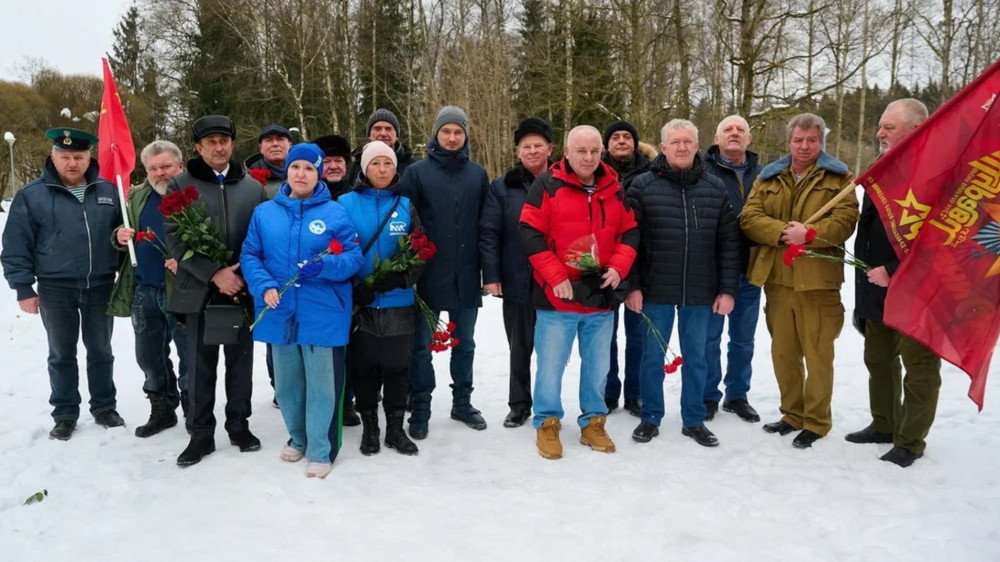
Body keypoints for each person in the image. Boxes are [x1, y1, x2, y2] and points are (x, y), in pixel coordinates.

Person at [241, 143, 363, 478]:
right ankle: (297, 438)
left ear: (319, 172)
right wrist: (263, 284)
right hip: (280, 309)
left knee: (322, 386)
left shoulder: (335, 213)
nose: (301, 174)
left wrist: (324, 266)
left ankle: (320, 449)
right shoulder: (265, 213)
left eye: (309, 168)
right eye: (296, 167)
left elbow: (353, 258)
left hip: (322, 311)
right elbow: (250, 254)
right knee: (287, 385)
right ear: (288, 171)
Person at [740, 113, 859, 449]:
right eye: (798, 140)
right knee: (784, 353)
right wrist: (780, 232)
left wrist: (810, 234)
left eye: (811, 140)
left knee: (818, 354)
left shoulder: (839, 179)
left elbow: (846, 219)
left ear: (821, 142)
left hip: (818, 283)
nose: (804, 146)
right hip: (777, 280)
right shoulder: (769, 178)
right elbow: (749, 217)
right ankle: (792, 414)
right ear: (788, 142)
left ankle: (817, 421)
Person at [519, 125, 638, 459]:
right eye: (581, 151)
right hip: (559, 297)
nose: (588, 158)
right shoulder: (547, 186)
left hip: (600, 296)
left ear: (602, 152)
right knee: (550, 367)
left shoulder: (615, 188)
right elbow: (529, 233)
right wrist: (556, 276)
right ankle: (546, 422)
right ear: (567, 152)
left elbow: (630, 231)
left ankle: (593, 421)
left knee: (598, 366)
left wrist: (617, 267)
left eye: (594, 151)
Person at [1, 128, 125, 440]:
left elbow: (122, 237)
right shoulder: (32, 195)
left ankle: (104, 407)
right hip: (56, 288)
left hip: (100, 285)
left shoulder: (108, 191)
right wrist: (23, 288)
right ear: (54, 157)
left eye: (79, 157)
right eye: (65, 157)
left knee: (101, 349)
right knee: (61, 353)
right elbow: (15, 244)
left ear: (89, 158)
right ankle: (66, 412)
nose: (72, 163)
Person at [625, 119, 739, 447]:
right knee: (651, 357)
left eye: (688, 141)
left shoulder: (716, 187)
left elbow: (729, 244)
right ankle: (650, 417)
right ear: (663, 148)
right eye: (675, 142)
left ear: (697, 144)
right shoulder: (642, 186)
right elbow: (630, 241)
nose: (682, 147)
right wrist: (632, 285)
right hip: (654, 290)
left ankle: (693, 418)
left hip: (701, 291)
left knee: (698, 356)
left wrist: (727, 289)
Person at [165, 115, 268, 467]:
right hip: (199, 290)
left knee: (241, 365)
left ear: (233, 143)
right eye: (210, 141)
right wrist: (214, 273)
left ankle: (239, 425)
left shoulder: (252, 188)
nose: (218, 147)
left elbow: (259, 239)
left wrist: (242, 276)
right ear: (198, 147)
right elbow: (176, 240)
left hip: (241, 290)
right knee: (199, 366)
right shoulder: (180, 185)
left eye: (224, 139)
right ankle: (200, 433)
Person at [846, 98, 941, 468]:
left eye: (889, 127)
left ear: (916, 129)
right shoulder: (882, 166)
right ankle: (884, 423)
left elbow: (938, 235)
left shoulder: (937, 170)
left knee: (918, 366)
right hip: (873, 284)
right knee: (879, 358)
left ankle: (910, 440)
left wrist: (892, 267)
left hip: (916, 287)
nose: (879, 132)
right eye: (880, 125)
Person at [400, 105, 490, 440]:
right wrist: (410, 267)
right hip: (428, 274)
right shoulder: (418, 173)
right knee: (421, 345)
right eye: (446, 131)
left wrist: (487, 270)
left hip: (466, 273)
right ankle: (420, 406)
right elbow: (406, 223)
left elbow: (486, 225)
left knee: (464, 343)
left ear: (466, 135)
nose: (452, 138)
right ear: (435, 134)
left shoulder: (477, 174)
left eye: (458, 132)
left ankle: (462, 402)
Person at [340, 142, 423, 456]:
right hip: (361, 303)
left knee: (397, 368)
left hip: (398, 301)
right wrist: (352, 284)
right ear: (364, 168)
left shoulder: (405, 205)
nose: (382, 170)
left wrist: (400, 278)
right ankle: (371, 430)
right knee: (363, 368)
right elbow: (333, 246)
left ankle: (395, 430)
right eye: (375, 164)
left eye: (388, 164)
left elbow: (421, 249)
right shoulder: (345, 203)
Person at [108, 140, 190, 438]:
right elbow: (116, 235)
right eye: (153, 168)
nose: (160, 173)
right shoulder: (135, 197)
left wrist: (188, 262)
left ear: (180, 165)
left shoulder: (192, 194)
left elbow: (215, 239)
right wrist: (119, 235)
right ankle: (162, 408)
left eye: (166, 166)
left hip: (180, 289)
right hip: (143, 290)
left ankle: (194, 409)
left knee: (189, 354)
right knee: (149, 355)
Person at [480, 117, 553, 428]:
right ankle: (519, 404)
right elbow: (489, 232)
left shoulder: (564, 181)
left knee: (552, 349)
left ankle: (549, 405)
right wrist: (492, 275)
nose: (533, 151)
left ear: (551, 149)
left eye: (538, 145)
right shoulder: (502, 187)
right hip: (517, 279)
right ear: (517, 151)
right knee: (520, 347)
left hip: (555, 282)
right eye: (527, 146)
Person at [702, 115, 764, 423]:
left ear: (749, 139)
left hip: (751, 268)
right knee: (709, 338)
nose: (735, 133)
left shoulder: (765, 174)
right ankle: (708, 395)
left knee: (743, 338)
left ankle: (737, 395)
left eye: (741, 130)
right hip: (712, 270)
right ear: (716, 139)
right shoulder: (703, 170)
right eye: (728, 129)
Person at [601, 120, 651, 416]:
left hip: (641, 264)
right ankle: (608, 392)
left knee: (637, 335)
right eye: (615, 137)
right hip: (602, 266)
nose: (621, 141)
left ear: (635, 142)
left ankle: (635, 393)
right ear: (607, 145)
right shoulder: (595, 171)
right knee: (605, 336)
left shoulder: (651, 172)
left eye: (627, 137)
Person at [312, 133, 361, 427]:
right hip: (315, 283)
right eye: (327, 161)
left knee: (350, 349)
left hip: (348, 281)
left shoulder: (356, 195)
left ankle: (347, 402)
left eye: (338, 161)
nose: (332, 166)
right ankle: (321, 403)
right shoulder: (310, 194)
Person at [346, 108, 417, 186]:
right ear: (369, 135)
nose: (383, 133)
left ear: (397, 136)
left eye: (388, 129)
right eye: (377, 129)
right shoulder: (354, 167)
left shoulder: (412, 167)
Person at [245, 124, 293, 198]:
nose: (275, 144)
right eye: (269, 140)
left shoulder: (304, 175)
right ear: (260, 148)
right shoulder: (249, 182)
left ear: (290, 145)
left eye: (280, 139)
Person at [313, 134, 353, 200]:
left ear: (346, 164)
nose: (333, 167)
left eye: (338, 161)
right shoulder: (307, 197)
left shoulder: (358, 197)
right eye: (326, 162)